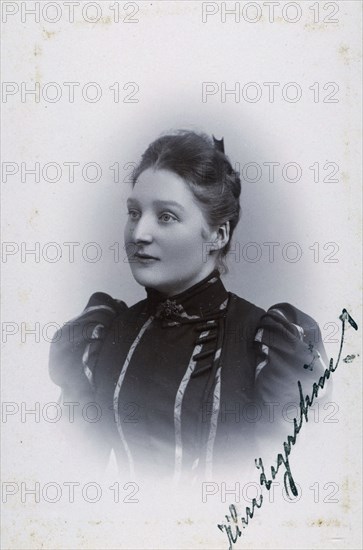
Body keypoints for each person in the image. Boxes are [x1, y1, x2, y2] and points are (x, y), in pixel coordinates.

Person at [49, 130, 329, 483]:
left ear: (218, 235)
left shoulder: (272, 348)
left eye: (166, 216)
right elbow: (68, 476)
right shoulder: (105, 335)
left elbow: (287, 491)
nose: (139, 233)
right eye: (134, 213)